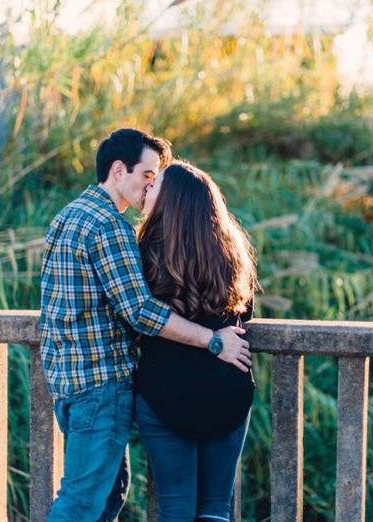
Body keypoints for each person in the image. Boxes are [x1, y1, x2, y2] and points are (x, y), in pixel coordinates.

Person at [39, 129, 253, 522]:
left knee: (108, 497)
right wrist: (213, 341)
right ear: (118, 171)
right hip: (100, 387)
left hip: (69, 382)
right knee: (82, 503)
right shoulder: (110, 227)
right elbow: (140, 311)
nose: (151, 185)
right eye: (147, 175)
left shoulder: (67, 216)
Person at [135, 161, 258, 522]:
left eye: (154, 185)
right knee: (216, 508)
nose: (147, 189)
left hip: (164, 391)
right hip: (225, 386)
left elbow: (136, 317)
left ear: (169, 200)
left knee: (176, 505)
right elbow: (245, 314)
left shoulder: (144, 254)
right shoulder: (232, 256)